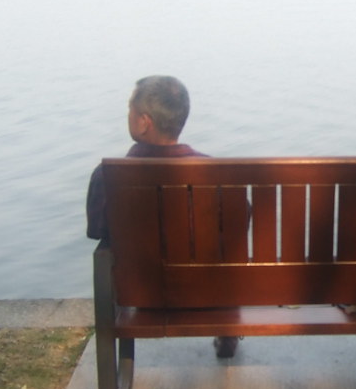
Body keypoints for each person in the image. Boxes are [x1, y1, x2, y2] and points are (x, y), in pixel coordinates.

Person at [86, 75, 241, 359]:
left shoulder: (107, 176)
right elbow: (239, 226)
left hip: (141, 293)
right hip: (206, 291)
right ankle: (226, 330)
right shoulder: (215, 174)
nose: (127, 116)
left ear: (144, 122)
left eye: (130, 110)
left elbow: (98, 231)